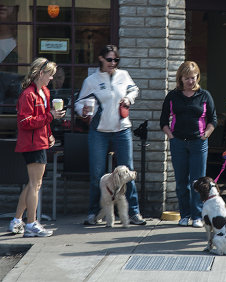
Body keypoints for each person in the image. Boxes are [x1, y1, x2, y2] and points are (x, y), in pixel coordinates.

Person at [75, 44, 146, 226]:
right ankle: (93, 213)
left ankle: (134, 213)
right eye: (109, 59)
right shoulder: (91, 80)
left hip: (122, 130)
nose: (113, 63)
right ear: (101, 59)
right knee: (97, 174)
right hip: (99, 132)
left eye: (116, 60)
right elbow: (79, 102)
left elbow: (134, 89)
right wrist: (83, 111)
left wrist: (129, 99)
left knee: (127, 171)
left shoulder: (124, 75)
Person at [8, 58, 66, 237]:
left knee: (33, 183)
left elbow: (42, 118)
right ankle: (31, 223)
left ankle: (18, 220)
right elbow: (24, 122)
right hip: (31, 143)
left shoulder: (44, 92)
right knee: (35, 184)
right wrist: (50, 117)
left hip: (39, 140)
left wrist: (49, 133)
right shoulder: (28, 94)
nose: (52, 79)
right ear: (41, 74)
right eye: (50, 75)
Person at [160, 61, 217, 228]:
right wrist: (171, 137)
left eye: (193, 78)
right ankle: (184, 215)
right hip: (178, 143)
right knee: (181, 182)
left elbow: (212, 120)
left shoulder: (205, 95)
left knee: (198, 182)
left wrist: (205, 135)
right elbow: (163, 121)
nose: (190, 81)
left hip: (198, 144)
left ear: (197, 77)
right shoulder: (172, 96)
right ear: (181, 78)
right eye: (187, 78)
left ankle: (197, 216)